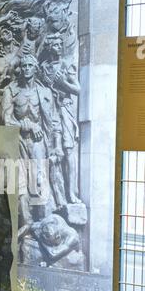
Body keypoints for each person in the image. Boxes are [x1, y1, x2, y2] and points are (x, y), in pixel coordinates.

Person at [0, 54, 54, 226]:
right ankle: (25, 222)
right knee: (19, 182)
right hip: (17, 141)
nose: (27, 68)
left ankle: (42, 221)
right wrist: (26, 126)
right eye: (24, 65)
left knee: (39, 179)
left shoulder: (44, 93)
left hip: (38, 142)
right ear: (20, 69)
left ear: (35, 68)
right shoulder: (11, 91)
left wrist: (55, 145)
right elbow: (5, 121)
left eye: (30, 65)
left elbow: (53, 121)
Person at [40, 34, 81, 204]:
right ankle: (55, 195)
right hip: (48, 111)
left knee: (69, 150)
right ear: (49, 47)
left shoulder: (66, 64)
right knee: (51, 151)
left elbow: (77, 89)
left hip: (64, 110)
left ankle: (71, 193)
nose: (58, 47)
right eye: (54, 44)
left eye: (60, 44)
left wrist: (63, 83)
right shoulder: (43, 67)